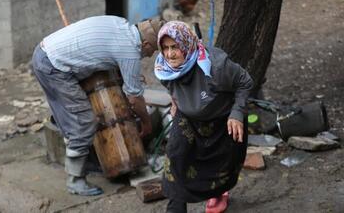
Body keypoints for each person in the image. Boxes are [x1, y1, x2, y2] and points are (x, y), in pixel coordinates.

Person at [31, 15, 163, 196]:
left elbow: (106, 51)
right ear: (146, 45)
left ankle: (87, 161)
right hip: (55, 68)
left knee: (69, 119)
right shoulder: (130, 51)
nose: (150, 55)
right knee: (83, 122)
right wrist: (146, 122)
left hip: (43, 53)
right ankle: (75, 180)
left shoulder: (121, 24)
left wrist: (127, 75)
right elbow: (134, 98)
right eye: (153, 51)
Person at [153, 21, 253, 213]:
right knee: (176, 153)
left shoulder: (216, 67)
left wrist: (237, 112)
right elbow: (172, 88)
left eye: (175, 47)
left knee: (220, 162)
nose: (169, 54)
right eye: (165, 48)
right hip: (188, 117)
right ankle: (176, 207)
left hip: (223, 118)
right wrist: (176, 103)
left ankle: (217, 193)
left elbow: (245, 82)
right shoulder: (164, 69)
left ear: (186, 45)